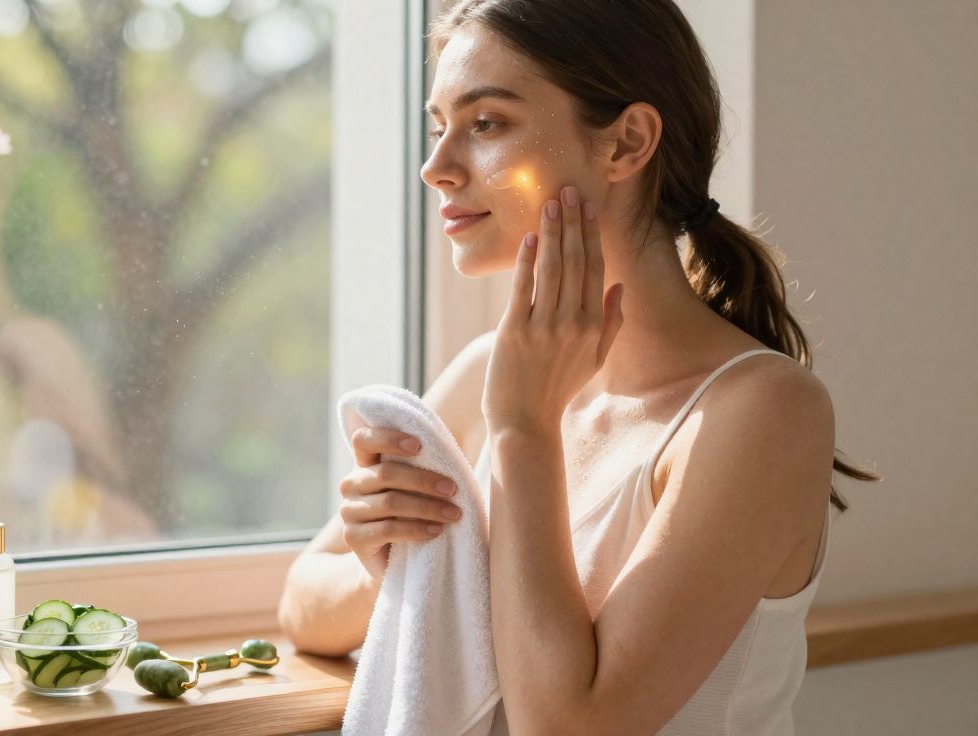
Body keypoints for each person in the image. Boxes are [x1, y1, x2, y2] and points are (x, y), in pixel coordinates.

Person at [278, 0, 880, 733]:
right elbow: (304, 603)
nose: (437, 167)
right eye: (439, 128)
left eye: (487, 123)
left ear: (627, 143)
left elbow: (568, 726)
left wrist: (526, 431)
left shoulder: (760, 412)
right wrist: (400, 565)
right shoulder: (485, 371)